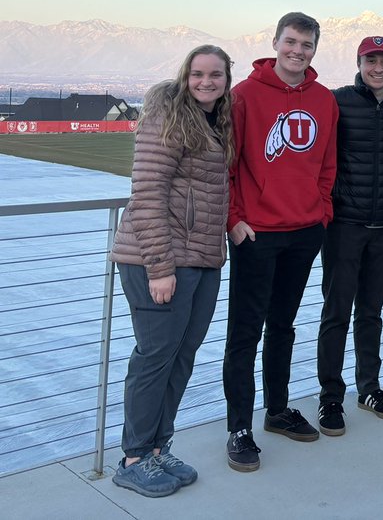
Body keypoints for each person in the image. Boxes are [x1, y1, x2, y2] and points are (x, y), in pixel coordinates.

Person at [109, 45, 234, 497]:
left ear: (226, 79)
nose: (207, 82)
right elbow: (146, 193)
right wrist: (160, 268)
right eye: (198, 74)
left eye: (216, 74)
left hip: (201, 258)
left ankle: (159, 447)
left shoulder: (215, 121)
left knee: (181, 355)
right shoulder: (167, 114)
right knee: (154, 357)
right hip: (157, 261)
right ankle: (133, 457)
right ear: (185, 76)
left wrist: (230, 224)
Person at [223, 12, 338, 471]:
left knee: (284, 326)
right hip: (256, 234)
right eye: (290, 42)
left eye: (306, 44)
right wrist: (233, 219)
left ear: (314, 49)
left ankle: (276, 410)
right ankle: (239, 427)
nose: (298, 50)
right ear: (275, 42)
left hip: (304, 231)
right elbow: (226, 165)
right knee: (244, 332)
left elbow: (328, 162)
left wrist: (322, 213)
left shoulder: (324, 100)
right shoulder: (244, 95)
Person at [316, 36, 383, 436]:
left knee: (371, 313)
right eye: (371, 60)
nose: (378, 68)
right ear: (359, 62)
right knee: (336, 312)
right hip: (344, 226)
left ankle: (368, 388)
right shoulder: (338, 101)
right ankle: (330, 396)